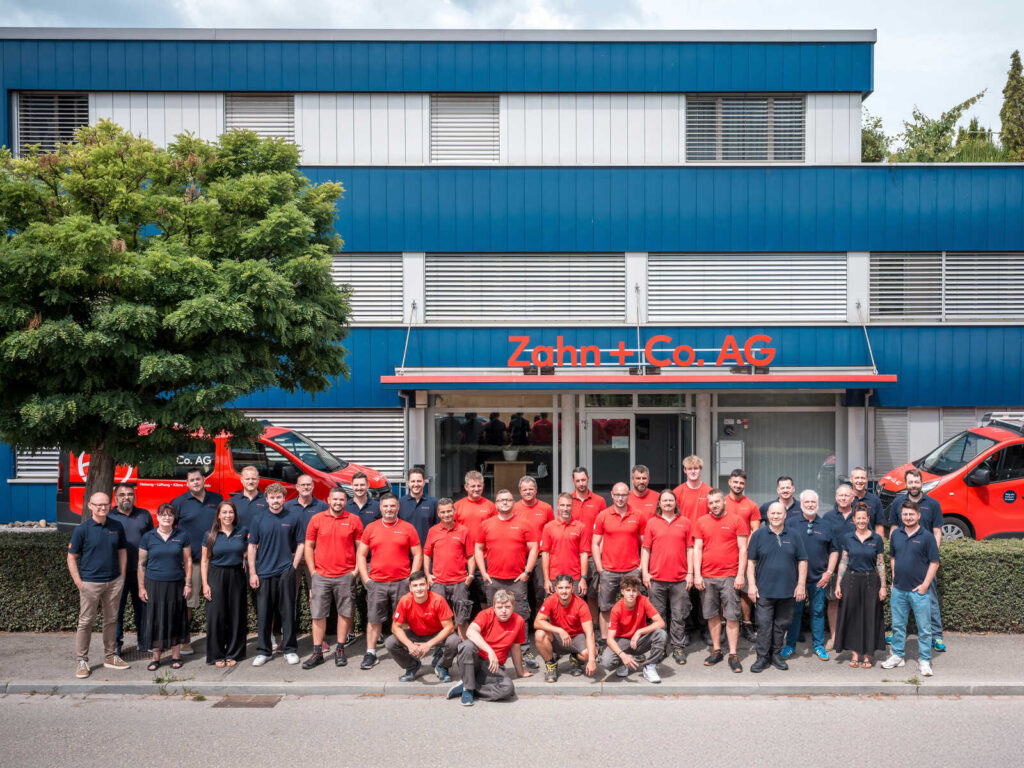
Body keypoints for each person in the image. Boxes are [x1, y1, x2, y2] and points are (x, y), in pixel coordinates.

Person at [67, 492, 129, 678]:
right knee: (86, 622)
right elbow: (71, 558)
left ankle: (110, 656)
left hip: (113, 582)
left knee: (111, 620)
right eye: (99, 505)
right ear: (90, 506)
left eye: (106, 504)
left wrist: (122, 576)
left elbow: (122, 551)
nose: (103, 508)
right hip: (90, 583)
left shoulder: (116, 526)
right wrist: (79, 582)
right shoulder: (82, 530)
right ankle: (82, 661)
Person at [357, 492, 422, 670]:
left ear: (398, 507)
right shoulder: (371, 528)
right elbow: (361, 555)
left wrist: (412, 578)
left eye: (392, 506)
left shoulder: (408, 528)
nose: (389, 509)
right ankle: (371, 653)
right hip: (376, 582)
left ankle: (406, 650)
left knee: (404, 619)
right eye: (385, 506)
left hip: (401, 582)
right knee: (374, 619)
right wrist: (366, 579)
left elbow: (418, 554)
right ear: (380, 508)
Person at [475, 488, 539, 667]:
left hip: (517, 580)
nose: (505, 502)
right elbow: (478, 548)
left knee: (520, 616)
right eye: (501, 500)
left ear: (513, 503)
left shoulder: (524, 523)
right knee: (495, 616)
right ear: (496, 504)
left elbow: (534, 547)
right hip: (493, 579)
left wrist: (527, 572)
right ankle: (496, 650)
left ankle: (525, 651)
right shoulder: (486, 524)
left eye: (508, 500)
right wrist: (484, 572)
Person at [302, 486, 363, 670]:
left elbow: (361, 548)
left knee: (345, 613)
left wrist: (355, 572)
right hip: (321, 575)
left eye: (341, 500)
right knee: (318, 614)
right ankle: (317, 652)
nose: (338, 502)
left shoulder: (354, 520)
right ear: (328, 500)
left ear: (346, 502)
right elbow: (308, 547)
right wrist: (313, 572)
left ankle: (340, 649)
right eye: (334, 499)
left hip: (345, 575)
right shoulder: (316, 519)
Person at [888, 467, 946, 653]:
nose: (914, 485)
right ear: (906, 484)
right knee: (899, 599)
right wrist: (894, 552)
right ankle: (898, 635)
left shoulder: (933, 503)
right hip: (904, 558)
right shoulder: (898, 503)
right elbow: (894, 529)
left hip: (926, 561)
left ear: (921, 483)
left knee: (930, 598)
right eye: (910, 482)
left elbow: (937, 531)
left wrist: (933, 556)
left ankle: (936, 636)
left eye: (916, 482)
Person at [746, 502, 807, 673]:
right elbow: (751, 562)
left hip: (787, 591)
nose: (775, 516)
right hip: (764, 591)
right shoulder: (758, 535)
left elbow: (802, 560)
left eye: (779, 513)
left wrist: (801, 584)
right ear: (767, 516)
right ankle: (762, 658)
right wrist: (751, 584)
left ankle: (776, 655)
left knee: (781, 625)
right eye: (772, 513)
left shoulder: (794, 535)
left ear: (785, 515)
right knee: (764, 626)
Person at [247, 483, 304, 666]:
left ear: (284, 498)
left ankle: (289, 649)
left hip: (285, 571)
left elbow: (301, 543)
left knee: (287, 612)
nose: (276, 501)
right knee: (264, 614)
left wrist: (293, 566)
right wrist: (253, 572)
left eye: (279, 497)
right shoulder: (258, 519)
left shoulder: (293, 517)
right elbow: (251, 546)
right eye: (272, 497)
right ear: (267, 499)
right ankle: (264, 651)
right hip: (264, 572)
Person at [882, 500, 939, 677]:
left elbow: (934, 563)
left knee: (924, 629)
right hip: (898, 590)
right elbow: (893, 558)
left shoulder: (927, 536)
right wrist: (893, 579)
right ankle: (898, 655)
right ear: (901, 516)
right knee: (898, 626)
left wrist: (925, 586)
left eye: (911, 514)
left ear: (918, 515)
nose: (908, 517)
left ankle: (924, 660)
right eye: (905, 514)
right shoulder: (896, 535)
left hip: (919, 591)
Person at [693, 488, 748, 673]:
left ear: (724, 501)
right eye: (711, 503)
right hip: (707, 577)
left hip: (730, 576)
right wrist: (697, 574)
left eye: (717, 501)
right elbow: (698, 549)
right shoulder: (701, 522)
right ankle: (717, 650)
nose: (714, 505)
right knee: (712, 615)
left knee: (731, 616)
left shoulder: (736, 520)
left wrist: (741, 574)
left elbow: (743, 549)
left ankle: (733, 654)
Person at [446, 590, 532, 706]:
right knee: (467, 646)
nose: (503, 611)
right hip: (474, 661)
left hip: (494, 667)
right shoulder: (486, 614)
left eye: (507, 607)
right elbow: (470, 632)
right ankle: (468, 689)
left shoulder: (519, 621)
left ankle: (469, 685)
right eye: (500, 607)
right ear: (494, 607)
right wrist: (490, 651)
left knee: (507, 689)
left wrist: (520, 672)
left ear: (513, 607)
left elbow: (515, 647)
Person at [780, 492, 838, 662]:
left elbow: (834, 550)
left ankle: (818, 646)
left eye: (813, 501)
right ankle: (790, 645)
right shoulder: (790, 524)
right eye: (807, 501)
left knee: (818, 612)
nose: (811, 504)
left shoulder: (826, 525)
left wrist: (828, 573)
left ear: (818, 503)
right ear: (802, 503)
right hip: (796, 579)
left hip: (819, 578)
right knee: (795, 612)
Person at [171, 466, 222, 655]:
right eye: (191, 480)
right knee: (189, 603)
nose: (195, 483)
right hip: (191, 562)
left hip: (214, 560)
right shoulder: (179, 503)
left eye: (198, 479)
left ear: (204, 480)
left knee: (216, 600)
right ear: (187, 483)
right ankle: (184, 640)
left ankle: (217, 638)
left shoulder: (217, 500)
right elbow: (170, 529)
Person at [641, 488, 694, 666]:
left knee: (679, 616)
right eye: (665, 501)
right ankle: (660, 647)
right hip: (656, 579)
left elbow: (690, 549)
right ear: (660, 504)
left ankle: (678, 647)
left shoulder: (685, 522)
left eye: (671, 500)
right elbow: (646, 549)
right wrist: (645, 573)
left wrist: (690, 573)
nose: (668, 503)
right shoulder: (652, 523)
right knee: (658, 617)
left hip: (679, 579)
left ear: (675, 503)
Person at [138, 503, 192, 671]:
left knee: (175, 618)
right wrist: (141, 587)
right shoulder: (148, 537)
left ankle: (176, 656)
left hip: (176, 583)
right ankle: (156, 657)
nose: (166, 517)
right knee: (155, 619)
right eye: (163, 514)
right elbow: (141, 564)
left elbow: (188, 561)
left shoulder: (181, 535)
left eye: (170, 515)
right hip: (154, 583)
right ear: (158, 517)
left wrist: (188, 583)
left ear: (174, 517)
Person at [592, 481, 646, 642]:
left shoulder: (638, 515)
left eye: (623, 495)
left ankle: (633, 639)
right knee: (606, 607)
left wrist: (642, 567)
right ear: (612, 495)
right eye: (617, 495)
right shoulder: (603, 515)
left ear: (628, 495)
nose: (620, 498)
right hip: (609, 570)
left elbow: (645, 545)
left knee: (634, 606)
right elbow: (595, 543)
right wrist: (600, 568)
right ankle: (604, 639)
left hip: (632, 570)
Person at [835, 504, 887, 668]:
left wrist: (883, 586)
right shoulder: (847, 537)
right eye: (859, 518)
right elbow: (844, 561)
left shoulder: (876, 539)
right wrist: (838, 584)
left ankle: (867, 655)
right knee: (853, 618)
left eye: (864, 518)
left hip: (871, 581)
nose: (862, 521)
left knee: (870, 617)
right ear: (854, 519)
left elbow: (880, 563)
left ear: (868, 519)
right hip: (851, 581)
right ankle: (855, 654)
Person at [386, 570, 460, 682]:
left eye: (422, 584)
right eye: (415, 586)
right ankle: (412, 666)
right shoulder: (405, 600)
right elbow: (395, 627)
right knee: (390, 642)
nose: (419, 588)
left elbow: (449, 627)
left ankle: (442, 666)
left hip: (436, 633)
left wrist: (428, 645)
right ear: (410, 588)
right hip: (415, 633)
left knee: (455, 641)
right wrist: (410, 645)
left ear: (428, 586)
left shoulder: (438, 600)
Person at [201, 501, 249, 666]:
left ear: (234, 515)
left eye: (231, 512)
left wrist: (245, 559)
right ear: (219, 515)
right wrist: (205, 584)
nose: (228, 515)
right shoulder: (210, 534)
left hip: (237, 575)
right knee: (216, 616)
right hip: (216, 575)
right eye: (224, 512)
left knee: (236, 615)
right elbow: (204, 561)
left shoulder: (242, 532)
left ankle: (234, 653)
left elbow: (249, 551)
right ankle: (216, 654)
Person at [109, 483, 152, 656]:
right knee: (116, 611)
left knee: (143, 609)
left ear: (134, 496)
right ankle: (116, 645)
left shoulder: (144, 515)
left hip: (141, 572)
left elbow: (151, 540)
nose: (126, 497)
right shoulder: (110, 517)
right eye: (122, 494)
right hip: (118, 573)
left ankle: (144, 642)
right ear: (116, 497)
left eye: (130, 494)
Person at [423, 497, 475, 639]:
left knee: (462, 618)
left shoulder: (464, 531)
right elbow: (426, 554)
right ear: (439, 514)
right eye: (443, 512)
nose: (446, 515)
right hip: (438, 583)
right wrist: (428, 575)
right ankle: (442, 649)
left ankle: (464, 648)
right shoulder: (433, 531)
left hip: (459, 582)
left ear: (454, 511)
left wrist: (470, 575)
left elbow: (470, 555)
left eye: (449, 511)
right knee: (440, 620)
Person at [601, 574, 668, 684]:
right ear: (622, 592)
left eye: (634, 590)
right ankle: (623, 663)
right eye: (628, 590)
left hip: (640, 640)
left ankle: (649, 667)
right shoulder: (616, 609)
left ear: (638, 592)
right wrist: (623, 655)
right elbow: (609, 639)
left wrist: (639, 631)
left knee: (661, 634)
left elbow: (660, 623)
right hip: (623, 641)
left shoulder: (643, 600)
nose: (631, 593)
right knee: (606, 662)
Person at [285, 474, 328, 641]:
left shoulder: (322, 506)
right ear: (296, 487)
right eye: (302, 485)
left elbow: (325, 533)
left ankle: (321, 639)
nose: (305, 487)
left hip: (315, 561)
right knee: (289, 599)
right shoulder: (288, 506)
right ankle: (287, 638)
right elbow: (285, 533)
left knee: (317, 599)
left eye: (308, 484)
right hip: (292, 559)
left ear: (313, 486)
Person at [534, 573, 598, 682]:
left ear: (573, 588)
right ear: (556, 589)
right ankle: (551, 665)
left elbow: (589, 633)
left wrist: (591, 660)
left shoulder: (581, 604)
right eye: (561, 588)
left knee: (592, 653)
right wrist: (559, 630)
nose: (564, 591)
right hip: (558, 637)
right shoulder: (551, 600)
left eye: (567, 587)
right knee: (539, 633)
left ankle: (575, 659)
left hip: (576, 637)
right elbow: (537, 622)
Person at [724, 469, 760, 642]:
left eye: (741, 483)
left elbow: (755, 530)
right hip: (725, 553)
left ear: (745, 485)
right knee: (724, 592)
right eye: (735, 482)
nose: (738, 485)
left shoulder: (751, 505)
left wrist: (744, 548)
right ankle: (725, 625)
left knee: (745, 592)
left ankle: (746, 624)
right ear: (729, 482)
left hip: (745, 553)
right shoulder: (721, 502)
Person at [512, 475, 553, 616]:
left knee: (540, 591)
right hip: (520, 557)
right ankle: (524, 624)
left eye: (531, 489)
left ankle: (539, 623)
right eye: (525, 490)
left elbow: (551, 530)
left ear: (536, 490)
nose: (528, 492)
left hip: (540, 557)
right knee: (521, 592)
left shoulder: (546, 508)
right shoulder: (514, 508)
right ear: (520, 491)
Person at [822, 484, 857, 650]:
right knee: (833, 602)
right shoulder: (828, 517)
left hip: (856, 567)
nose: (843, 498)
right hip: (834, 567)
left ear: (853, 498)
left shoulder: (859, 516)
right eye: (840, 495)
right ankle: (834, 637)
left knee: (854, 603)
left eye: (846, 496)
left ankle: (851, 637)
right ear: (836, 498)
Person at [570, 466, 606, 622]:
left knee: (592, 593)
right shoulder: (568, 501)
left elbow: (605, 528)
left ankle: (594, 626)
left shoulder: (599, 501)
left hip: (592, 554)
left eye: (583, 480)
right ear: (573, 481)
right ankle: (576, 625)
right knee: (572, 592)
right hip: (572, 554)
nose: (581, 483)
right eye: (577, 480)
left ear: (588, 478)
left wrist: (601, 553)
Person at [540, 493, 589, 595]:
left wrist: (583, 579)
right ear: (557, 506)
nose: (565, 508)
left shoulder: (581, 527)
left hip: (575, 578)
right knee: (554, 609)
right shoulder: (549, 527)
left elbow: (584, 554)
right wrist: (546, 579)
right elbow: (545, 554)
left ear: (572, 506)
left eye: (568, 505)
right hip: (554, 578)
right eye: (562, 505)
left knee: (575, 610)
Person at [398, 467, 438, 546]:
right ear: (408, 483)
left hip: (426, 551)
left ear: (424, 482)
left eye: (419, 481)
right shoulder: (400, 503)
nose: (416, 484)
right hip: (405, 551)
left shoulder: (433, 503)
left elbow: (438, 528)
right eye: (413, 481)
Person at [849, 466, 886, 536]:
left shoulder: (875, 500)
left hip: (869, 544)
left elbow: (879, 527)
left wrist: (879, 545)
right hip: (849, 544)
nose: (860, 481)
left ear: (866, 480)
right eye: (857, 478)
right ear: (851, 480)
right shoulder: (845, 500)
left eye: (863, 478)